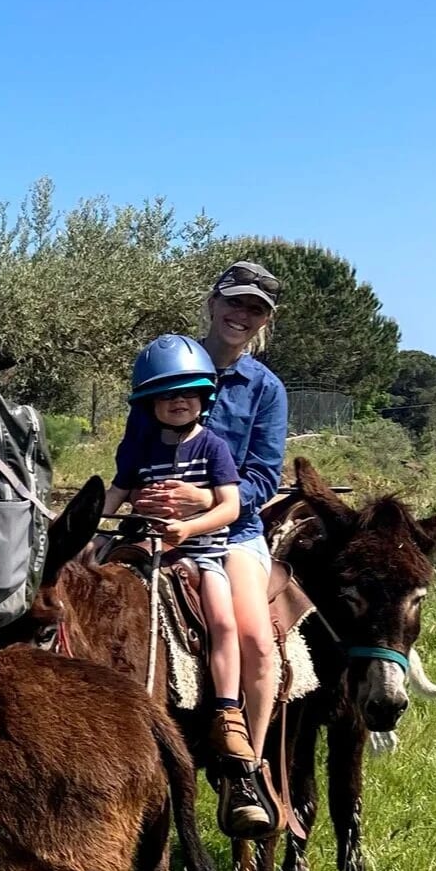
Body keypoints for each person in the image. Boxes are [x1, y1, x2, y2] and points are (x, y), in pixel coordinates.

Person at [121, 261, 288, 817]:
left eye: (255, 309)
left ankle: (246, 771)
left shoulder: (265, 389)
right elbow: (131, 457)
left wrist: (206, 500)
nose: (242, 315)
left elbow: (264, 475)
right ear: (213, 303)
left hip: (231, 532)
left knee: (256, 640)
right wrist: (137, 497)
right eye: (235, 302)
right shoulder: (164, 365)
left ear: (264, 321)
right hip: (153, 528)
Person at [105, 335, 268, 835]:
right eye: (166, 395)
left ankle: (227, 713)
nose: (178, 402)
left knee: (223, 620)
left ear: (204, 398)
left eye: (188, 394)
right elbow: (117, 493)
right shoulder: (142, 447)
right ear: (149, 404)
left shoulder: (213, 447)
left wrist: (189, 528)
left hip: (201, 551)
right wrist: (81, 524)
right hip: (146, 548)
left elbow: (230, 506)